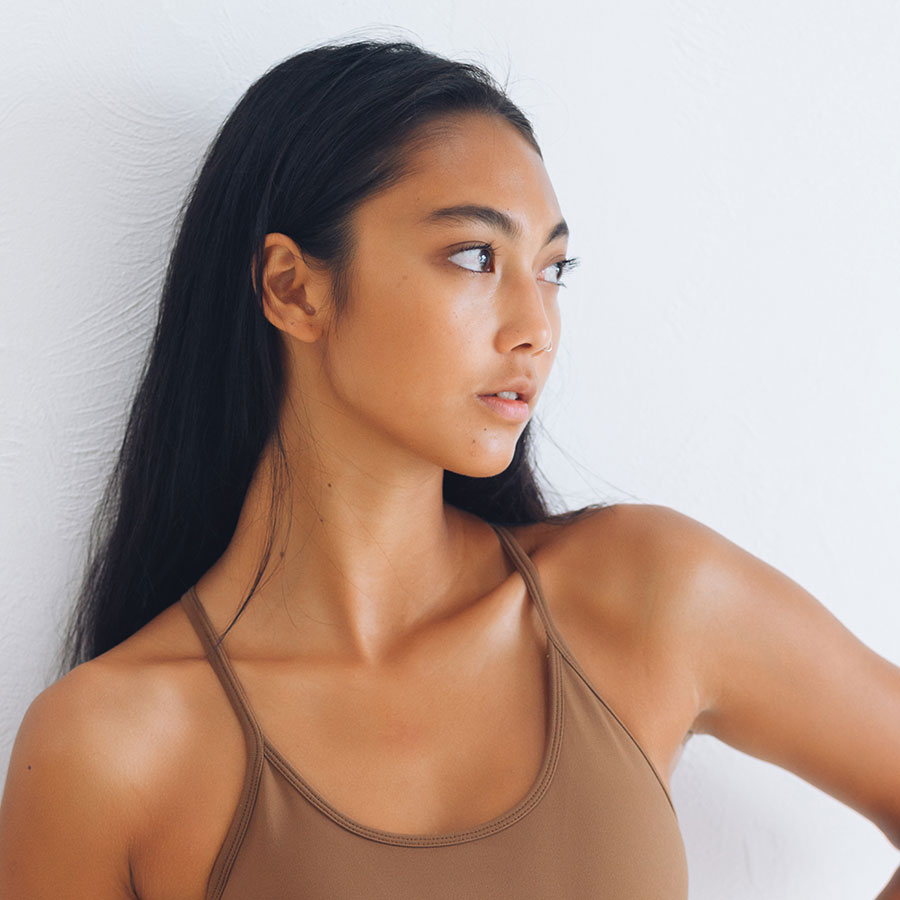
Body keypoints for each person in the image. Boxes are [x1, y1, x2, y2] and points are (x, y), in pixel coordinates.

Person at [1, 37, 898, 900]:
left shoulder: (646, 597)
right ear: (293, 288)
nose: (536, 326)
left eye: (553, 267)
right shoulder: (109, 749)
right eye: (475, 256)